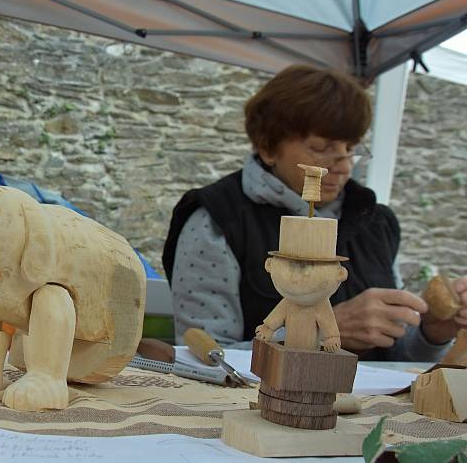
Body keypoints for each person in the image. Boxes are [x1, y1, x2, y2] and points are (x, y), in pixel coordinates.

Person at [163, 65, 467, 360]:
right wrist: (320, 332)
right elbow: (208, 355)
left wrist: (432, 334)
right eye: (322, 147)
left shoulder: (376, 221)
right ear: (269, 147)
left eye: (351, 148)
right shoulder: (217, 220)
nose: (345, 165)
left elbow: (393, 357)